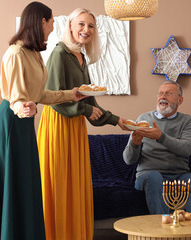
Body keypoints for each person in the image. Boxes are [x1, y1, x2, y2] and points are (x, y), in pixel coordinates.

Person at [0, 2, 87, 240]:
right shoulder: (15, 53)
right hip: (10, 124)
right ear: (41, 22)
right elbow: (15, 100)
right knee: (14, 183)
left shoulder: (34, 52)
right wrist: (24, 108)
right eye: (51, 22)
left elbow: (40, 95)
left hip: (24, 123)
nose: (53, 28)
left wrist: (70, 94)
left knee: (26, 184)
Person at [36, 8, 127, 240]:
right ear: (70, 26)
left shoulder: (81, 57)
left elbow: (90, 102)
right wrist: (86, 109)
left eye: (91, 26)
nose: (86, 30)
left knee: (75, 187)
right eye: (81, 24)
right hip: (58, 124)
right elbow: (55, 98)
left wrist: (119, 121)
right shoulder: (59, 53)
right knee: (58, 186)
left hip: (75, 126)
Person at [123, 81, 191, 215]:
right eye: (160, 93)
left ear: (180, 100)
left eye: (169, 93)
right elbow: (128, 160)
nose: (163, 96)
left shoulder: (187, 121)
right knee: (153, 176)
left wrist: (160, 136)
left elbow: (186, 149)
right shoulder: (144, 118)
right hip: (148, 176)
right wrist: (134, 144)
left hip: (179, 177)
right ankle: (163, 230)